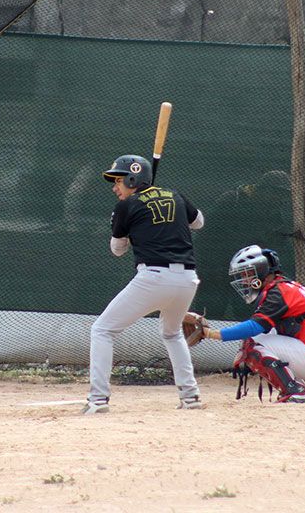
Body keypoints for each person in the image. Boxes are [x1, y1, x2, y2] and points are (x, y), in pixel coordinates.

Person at [83, 154, 205, 414]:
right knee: (172, 334)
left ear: (132, 179)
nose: (115, 188)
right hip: (187, 279)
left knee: (102, 330)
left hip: (154, 277)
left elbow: (117, 249)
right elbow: (199, 222)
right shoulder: (176, 195)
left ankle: (98, 400)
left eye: (118, 181)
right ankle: (190, 396)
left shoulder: (127, 206)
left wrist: (133, 223)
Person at [201, 245, 305, 404]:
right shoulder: (283, 287)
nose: (244, 279)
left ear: (261, 270)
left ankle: (295, 390)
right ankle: (295, 383)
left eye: (247, 274)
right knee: (259, 338)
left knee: (252, 344)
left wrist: (212, 334)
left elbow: (254, 326)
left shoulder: (279, 291)